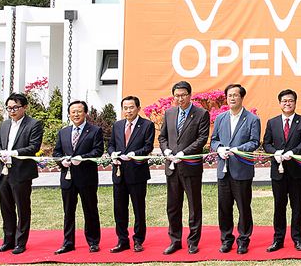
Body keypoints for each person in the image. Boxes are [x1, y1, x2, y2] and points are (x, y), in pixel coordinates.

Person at [158, 80, 211, 255]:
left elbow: (202, 139)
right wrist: (166, 150)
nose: (179, 99)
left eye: (183, 95)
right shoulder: (169, 113)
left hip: (190, 167)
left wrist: (184, 153)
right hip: (172, 167)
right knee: (173, 206)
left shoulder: (201, 114)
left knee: (194, 206)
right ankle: (175, 241)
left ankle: (193, 242)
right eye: (176, 96)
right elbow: (162, 137)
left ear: (190, 95)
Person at [0, 92, 44, 255]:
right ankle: (8, 241)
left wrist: (14, 153)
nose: (12, 111)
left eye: (15, 108)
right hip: (4, 172)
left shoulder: (34, 124)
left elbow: (34, 147)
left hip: (21, 172)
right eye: (9, 108)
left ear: (24, 107)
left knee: (22, 208)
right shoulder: (5, 124)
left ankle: (20, 242)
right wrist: (0, 152)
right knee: (6, 208)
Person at [210, 84, 261, 254]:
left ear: (242, 97)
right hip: (223, 170)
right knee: (224, 207)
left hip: (242, 170)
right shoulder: (220, 118)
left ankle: (243, 239)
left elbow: (254, 142)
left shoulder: (252, 119)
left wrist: (238, 149)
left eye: (235, 95)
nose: (232, 98)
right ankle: (226, 239)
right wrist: (219, 148)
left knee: (243, 207)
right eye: (229, 95)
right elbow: (214, 140)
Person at [262, 88, 301, 252]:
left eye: (290, 100)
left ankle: (298, 239)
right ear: (280, 103)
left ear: (295, 103)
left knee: (297, 207)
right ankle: (278, 239)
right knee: (279, 206)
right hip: (278, 171)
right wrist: (274, 152)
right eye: (284, 101)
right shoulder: (272, 122)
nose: (287, 103)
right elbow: (266, 143)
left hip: (297, 171)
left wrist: (293, 152)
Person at [53, 100, 104, 254]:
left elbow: (98, 151)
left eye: (79, 111)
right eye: (73, 112)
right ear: (69, 114)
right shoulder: (63, 132)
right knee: (68, 212)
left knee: (90, 210)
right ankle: (68, 242)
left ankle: (93, 242)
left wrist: (82, 158)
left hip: (86, 177)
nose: (76, 114)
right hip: (68, 177)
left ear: (85, 113)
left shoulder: (95, 131)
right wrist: (62, 161)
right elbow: (56, 152)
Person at [108, 95, 155, 253]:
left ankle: (138, 240)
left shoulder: (147, 125)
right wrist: (112, 153)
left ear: (138, 108)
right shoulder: (117, 125)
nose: (128, 111)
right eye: (125, 108)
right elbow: (111, 145)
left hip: (137, 173)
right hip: (119, 173)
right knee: (119, 209)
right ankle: (122, 240)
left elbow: (148, 147)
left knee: (138, 209)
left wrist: (135, 154)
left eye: (131, 108)